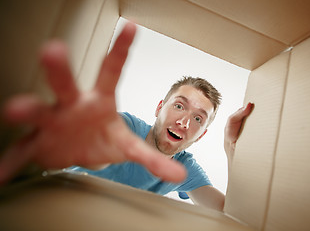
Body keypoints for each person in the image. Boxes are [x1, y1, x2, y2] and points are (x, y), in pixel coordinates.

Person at [0, 22, 253, 211]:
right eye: (179, 106)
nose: (184, 121)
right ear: (159, 108)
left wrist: (230, 148)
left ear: (202, 135)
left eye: (198, 119)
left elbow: (227, 212)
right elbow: (98, 144)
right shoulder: (122, 126)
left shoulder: (185, 168)